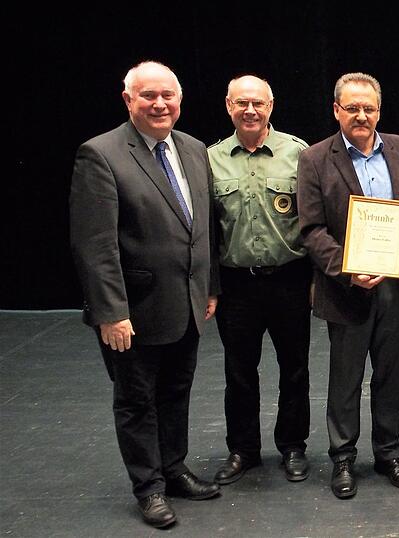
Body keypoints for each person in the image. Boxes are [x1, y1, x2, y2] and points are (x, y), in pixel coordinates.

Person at [69, 61, 221, 528]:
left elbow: (204, 228)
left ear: (180, 100)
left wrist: (210, 286)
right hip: (133, 311)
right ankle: (149, 487)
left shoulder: (194, 149)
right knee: (137, 401)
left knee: (176, 391)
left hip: (188, 303)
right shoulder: (101, 154)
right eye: (148, 96)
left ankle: (173, 470)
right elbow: (94, 245)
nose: (160, 104)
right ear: (128, 99)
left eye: (168, 96)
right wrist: (110, 312)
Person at [297, 72, 399, 499]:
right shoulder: (316, 158)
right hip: (346, 287)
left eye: (369, 108)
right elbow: (312, 229)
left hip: (396, 284)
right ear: (336, 110)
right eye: (352, 107)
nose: (361, 115)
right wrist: (347, 269)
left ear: (379, 111)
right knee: (346, 378)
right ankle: (342, 457)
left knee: (391, 375)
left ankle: (389, 453)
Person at [207, 75, 313, 485]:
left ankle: (293, 446)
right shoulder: (210, 159)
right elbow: (206, 233)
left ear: (271, 106)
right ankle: (244, 450)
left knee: (295, 369)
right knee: (238, 371)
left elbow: (313, 220)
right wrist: (210, 286)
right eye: (241, 103)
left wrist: (317, 279)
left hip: (289, 279)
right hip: (237, 286)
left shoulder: (299, 154)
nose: (250, 111)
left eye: (258, 103)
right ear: (229, 105)